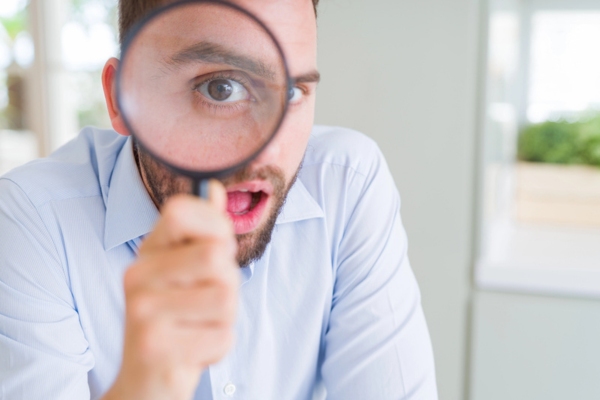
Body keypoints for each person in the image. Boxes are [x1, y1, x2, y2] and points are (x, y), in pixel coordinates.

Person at [0, 0, 438, 399]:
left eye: (290, 93)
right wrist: (148, 382)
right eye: (220, 90)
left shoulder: (348, 185)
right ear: (120, 98)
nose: (266, 151)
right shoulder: (32, 220)